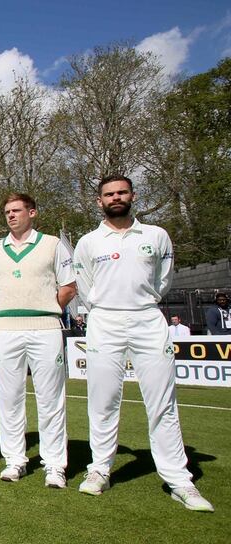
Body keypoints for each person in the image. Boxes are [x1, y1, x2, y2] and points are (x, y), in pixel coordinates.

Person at [73, 175, 213, 512]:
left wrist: (139, 303)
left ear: (132, 195)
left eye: (121, 192)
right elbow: (84, 286)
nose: (116, 197)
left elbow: (163, 281)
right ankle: (99, 470)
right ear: (99, 201)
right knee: (103, 401)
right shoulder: (89, 242)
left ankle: (179, 479)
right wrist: (107, 306)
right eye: (109, 194)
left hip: (148, 319)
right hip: (104, 321)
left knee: (162, 401)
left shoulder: (156, 236)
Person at [0, 193, 75, 487]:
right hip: (6, 329)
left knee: (51, 398)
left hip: (45, 327)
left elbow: (69, 287)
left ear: (32, 213)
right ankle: (14, 460)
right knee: (9, 398)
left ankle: (54, 465)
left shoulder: (52, 244)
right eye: (7, 211)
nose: (11, 215)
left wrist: (44, 309)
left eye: (17, 210)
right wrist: (11, 309)